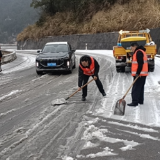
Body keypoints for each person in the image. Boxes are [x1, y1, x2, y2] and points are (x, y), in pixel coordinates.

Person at [127, 42, 148, 107]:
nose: (131, 49)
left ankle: (135, 102)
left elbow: (140, 63)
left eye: (131, 48)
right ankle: (140, 100)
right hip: (143, 74)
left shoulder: (138, 52)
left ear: (134, 46)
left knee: (135, 88)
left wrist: (138, 72)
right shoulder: (142, 51)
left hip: (139, 74)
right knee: (140, 88)